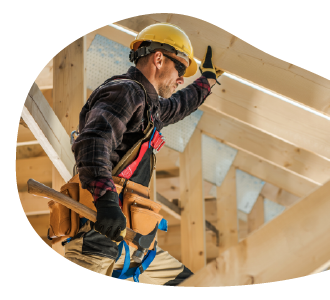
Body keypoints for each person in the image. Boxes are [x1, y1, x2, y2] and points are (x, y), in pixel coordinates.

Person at [64, 22, 223, 286]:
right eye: (180, 69)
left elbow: (182, 104)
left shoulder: (151, 107)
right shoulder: (125, 91)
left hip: (134, 248)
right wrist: (105, 202)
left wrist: (207, 80)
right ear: (158, 59)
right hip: (95, 246)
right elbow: (94, 142)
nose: (182, 78)